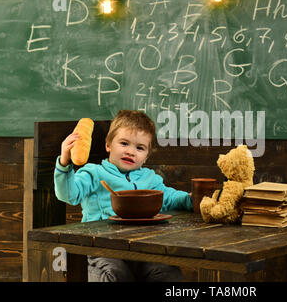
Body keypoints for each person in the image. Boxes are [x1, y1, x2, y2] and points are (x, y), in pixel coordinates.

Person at [54, 110, 193, 281]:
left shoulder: (150, 178)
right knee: (116, 275)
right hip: (102, 249)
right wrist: (64, 163)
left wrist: (190, 199)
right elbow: (69, 195)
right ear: (108, 145)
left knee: (168, 273)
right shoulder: (94, 173)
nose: (131, 152)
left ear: (146, 156)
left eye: (139, 148)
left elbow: (169, 197)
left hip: (143, 248)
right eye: (124, 143)